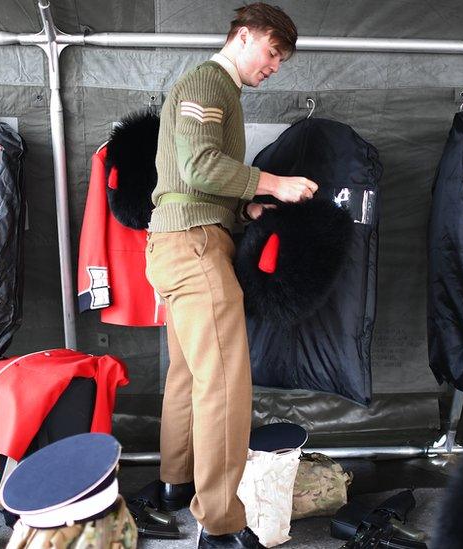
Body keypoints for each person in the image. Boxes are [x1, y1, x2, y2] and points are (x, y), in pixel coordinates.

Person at [144, 4, 316, 548]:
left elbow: (191, 178)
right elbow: (197, 167)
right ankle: (219, 525)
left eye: (281, 61)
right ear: (243, 37)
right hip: (194, 247)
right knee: (224, 386)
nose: (274, 67)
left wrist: (246, 212)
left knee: (189, 377)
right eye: (271, 52)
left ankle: (176, 483)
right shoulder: (208, 82)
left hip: (182, 240)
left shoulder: (219, 91)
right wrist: (274, 185)